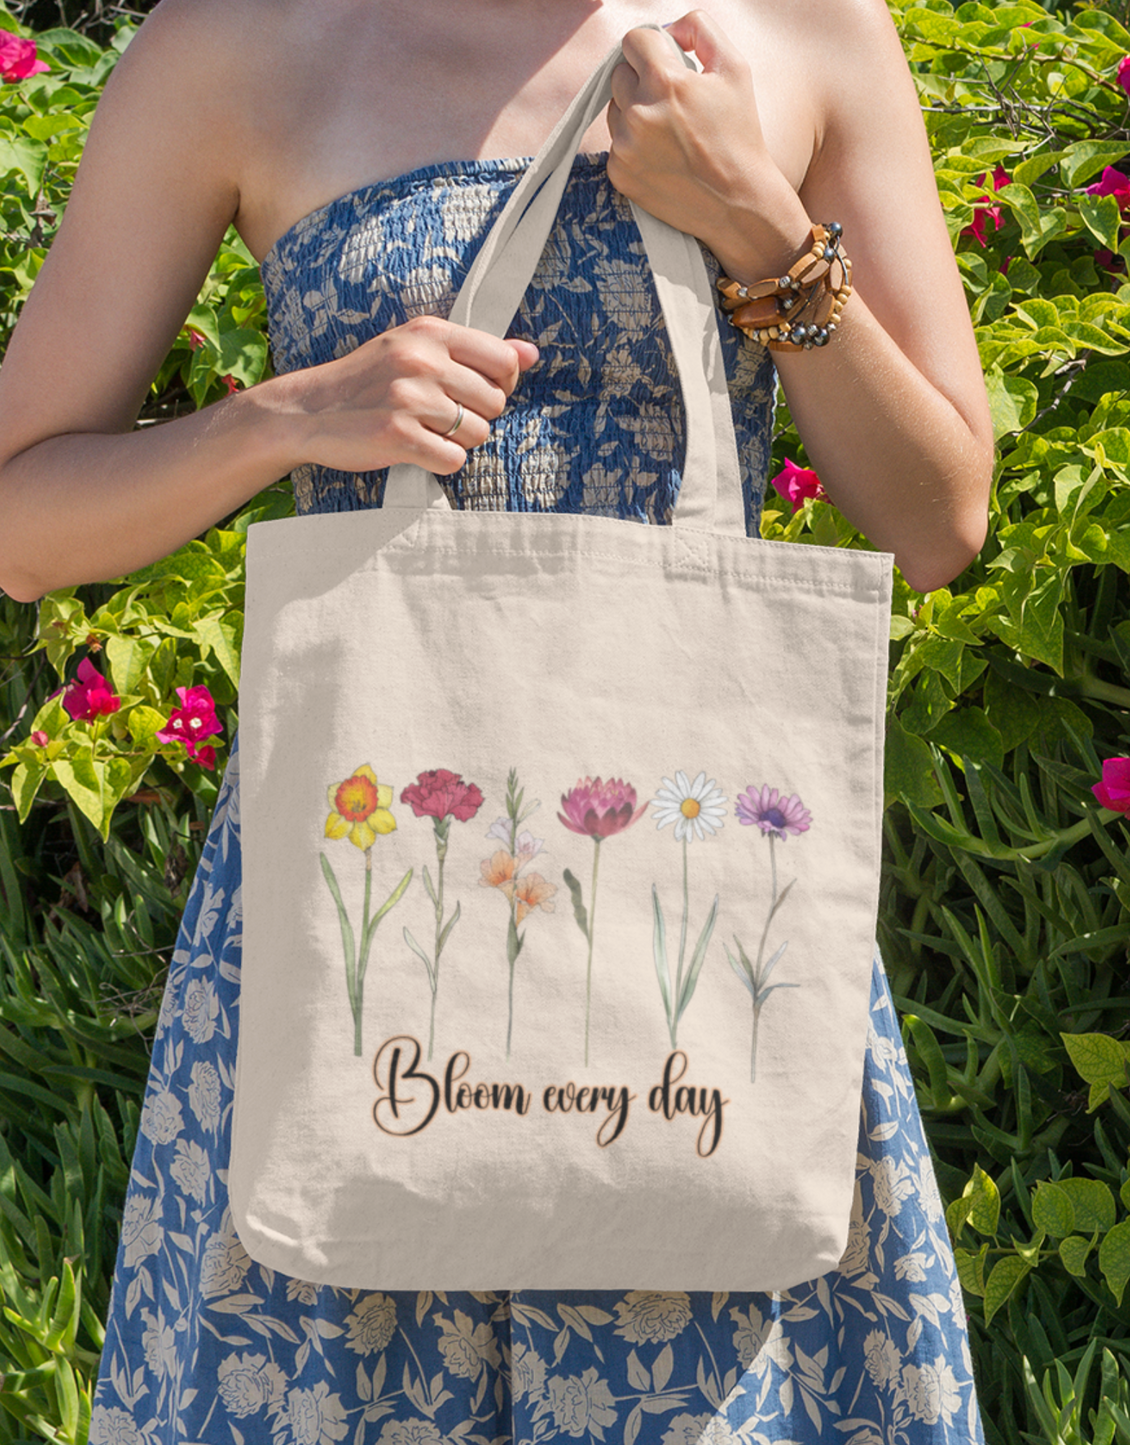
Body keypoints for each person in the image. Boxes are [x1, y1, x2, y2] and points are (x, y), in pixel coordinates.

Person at [0, 1, 994, 1439]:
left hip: (686, 941)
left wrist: (763, 230)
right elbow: (21, 521)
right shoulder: (238, 46)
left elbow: (936, 520)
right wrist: (284, 418)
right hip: (362, 936)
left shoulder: (807, 31)